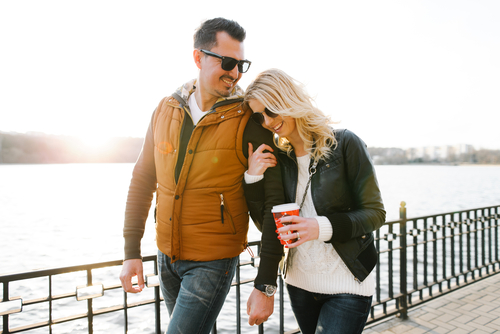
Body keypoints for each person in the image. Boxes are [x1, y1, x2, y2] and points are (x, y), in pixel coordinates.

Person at [119, 18, 284, 333]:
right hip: (165, 256)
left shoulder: (249, 120)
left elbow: (272, 205)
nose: (235, 73)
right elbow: (142, 181)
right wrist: (131, 252)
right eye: (227, 62)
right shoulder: (165, 109)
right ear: (198, 58)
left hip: (213, 260)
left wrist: (265, 285)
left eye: (241, 64)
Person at [242, 68, 386, 334]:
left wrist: (320, 227)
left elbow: (375, 213)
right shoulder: (279, 160)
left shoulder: (345, 144)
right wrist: (252, 177)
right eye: (260, 116)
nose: (267, 121)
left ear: (287, 99)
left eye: (271, 110)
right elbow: (268, 226)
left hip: (348, 285)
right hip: (300, 285)